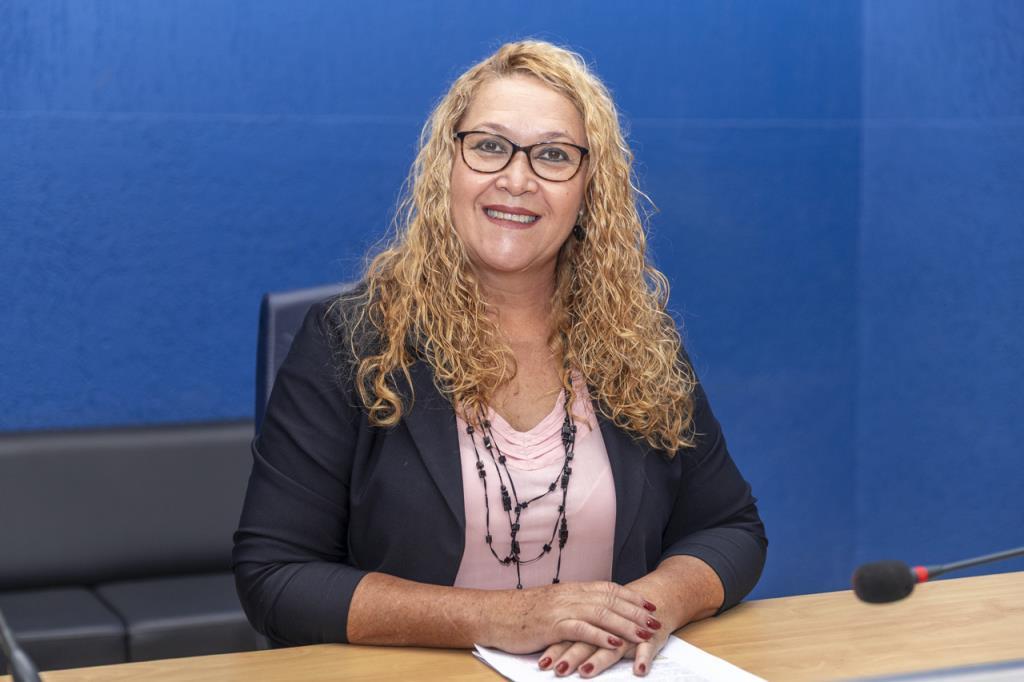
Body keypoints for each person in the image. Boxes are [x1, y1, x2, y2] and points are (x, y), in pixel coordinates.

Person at [233, 40, 766, 678]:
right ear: (448, 166)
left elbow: (731, 528)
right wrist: (503, 617)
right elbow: (276, 576)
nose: (517, 179)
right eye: (489, 146)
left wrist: (643, 610)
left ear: (590, 189)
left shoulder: (638, 341)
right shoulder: (353, 340)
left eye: (553, 155)